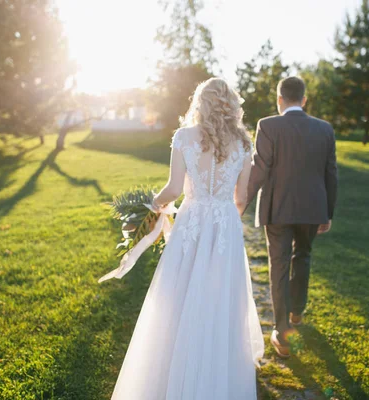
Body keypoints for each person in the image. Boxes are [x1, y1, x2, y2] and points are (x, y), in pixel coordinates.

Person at [109, 78, 264, 400]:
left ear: (200, 103)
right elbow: (243, 194)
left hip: (192, 222)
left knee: (177, 293)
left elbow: (174, 189)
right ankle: (215, 370)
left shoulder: (184, 136)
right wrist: (227, 217)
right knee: (220, 296)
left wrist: (152, 206)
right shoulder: (244, 142)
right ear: (231, 105)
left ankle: (172, 370)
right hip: (225, 226)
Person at [247, 76, 338, 358]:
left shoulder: (267, 125)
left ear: (279, 99)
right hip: (313, 209)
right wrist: (328, 212)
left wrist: (239, 203)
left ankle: (282, 330)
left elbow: (259, 168)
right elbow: (330, 173)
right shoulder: (324, 129)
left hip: (278, 209)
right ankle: (296, 313)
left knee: (279, 264)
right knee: (304, 256)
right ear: (304, 99)